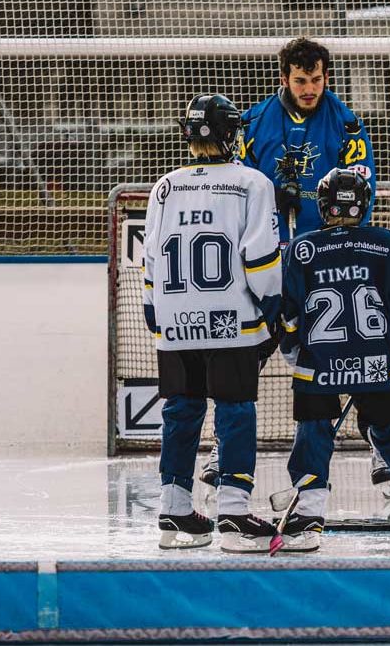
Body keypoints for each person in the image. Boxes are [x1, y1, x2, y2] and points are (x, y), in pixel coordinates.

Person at [201, 37, 390, 494]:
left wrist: (334, 224)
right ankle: (222, 446)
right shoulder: (253, 122)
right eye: (302, 80)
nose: (311, 88)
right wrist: (268, 193)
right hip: (266, 258)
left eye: (318, 79)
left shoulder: (345, 123)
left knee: (351, 352)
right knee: (248, 352)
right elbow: (231, 183)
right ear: (284, 77)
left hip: (326, 258)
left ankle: (381, 443)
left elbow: (362, 188)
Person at [275, 168, 390, 551]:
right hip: (375, 362)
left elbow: (284, 315)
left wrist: (291, 348)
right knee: (388, 428)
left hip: (318, 364)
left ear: (322, 205)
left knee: (314, 431)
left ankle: (310, 511)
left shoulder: (302, 249)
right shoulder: (387, 244)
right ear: (365, 204)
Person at [143, 93, 283, 553]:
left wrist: (153, 307)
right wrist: (274, 308)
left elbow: (150, 256)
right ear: (231, 134)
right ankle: (234, 512)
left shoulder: (164, 185)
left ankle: (174, 506)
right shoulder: (252, 183)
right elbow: (260, 258)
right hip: (231, 320)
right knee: (235, 410)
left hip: (174, 319)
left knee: (181, 410)